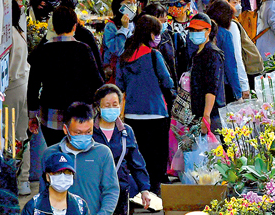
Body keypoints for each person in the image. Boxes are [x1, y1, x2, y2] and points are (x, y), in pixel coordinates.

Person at [28, 6, 104, 146]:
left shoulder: (43, 51)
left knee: (58, 157)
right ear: (75, 27)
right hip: (81, 116)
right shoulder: (84, 49)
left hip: (51, 117)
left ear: (53, 28)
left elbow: (33, 85)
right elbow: (97, 82)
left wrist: (32, 115)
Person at [116, 16, 174, 195]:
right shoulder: (154, 55)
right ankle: (154, 193)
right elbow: (167, 82)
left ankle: (141, 191)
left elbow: (120, 86)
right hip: (156, 113)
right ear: (150, 33)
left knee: (137, 157)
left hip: (133, 116)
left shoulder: (123, 58)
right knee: (156, 158)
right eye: (157, 33)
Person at [41, 103, 119, 215]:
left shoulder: (103, 153)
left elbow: (111, 190)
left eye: (88, 132)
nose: (83, 136)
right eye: (78, 133)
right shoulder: (50, 154)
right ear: (65, 129)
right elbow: (43, 192)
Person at [92, 85, 152, 213]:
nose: (112, 108)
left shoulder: (126, 131)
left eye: (115, 104)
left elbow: (136, 162)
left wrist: (144, 189)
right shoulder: (89, 131)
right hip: (94, 191)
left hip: (120, 190)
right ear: (98, 107)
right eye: (107, 105)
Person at [214, 0, 264, 93]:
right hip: (239, 77)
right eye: (234, 2)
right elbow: (237, 57)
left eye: (239, 2)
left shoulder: (220, 23)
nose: (238, 6)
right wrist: (244, 86)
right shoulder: (231, 25)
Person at [7, 1, 32, 195]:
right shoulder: (19, 32)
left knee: (9, 136)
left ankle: (12, 179)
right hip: (23, 85)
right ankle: (23, 180)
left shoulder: (8, 35)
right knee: (22, 136)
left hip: (11, 88)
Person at [188, 13, 227, 134]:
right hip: (198, 112)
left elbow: (212, 87)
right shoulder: (196, 54)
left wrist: (206, 115)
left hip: (212, 114)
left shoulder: (212, 54)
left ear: (208, 31)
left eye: (198, 30)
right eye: (192, 30)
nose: (194, 33)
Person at [21, 152, 90, 215]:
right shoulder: (34, 206)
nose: (63, 177)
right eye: (58, 173)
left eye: (67, 172)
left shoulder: (80, 206)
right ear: (47, 176)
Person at [204, 0, 245, 103]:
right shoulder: (225, 35)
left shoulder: (200, 31)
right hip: (221, 86)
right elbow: (230, 65)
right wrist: (238, 93)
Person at [103, 0, 138, 82]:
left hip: (131, 70)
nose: (133, 6)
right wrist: (124, 29)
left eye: (134, 3)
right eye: (128, 3)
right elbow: (117, 50)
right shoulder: (111, 26)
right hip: (115, 73)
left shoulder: (134, 24)